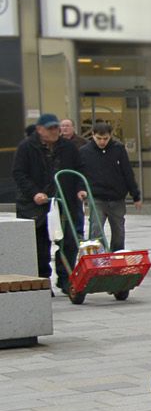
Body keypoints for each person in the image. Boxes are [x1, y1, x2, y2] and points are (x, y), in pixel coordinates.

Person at [12, 114, 78, 291]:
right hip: (36, 205)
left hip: (63, 201)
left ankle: (66, 280)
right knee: (41, 246)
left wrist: (80, 189)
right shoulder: (26, 147)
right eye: (50, 128)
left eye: (56, 127)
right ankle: (43, 281)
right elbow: (19, 173)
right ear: (39, 129)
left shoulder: (68, 147)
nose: (55, 131)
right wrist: (34, 193)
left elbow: (78, 169)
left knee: (69, 243)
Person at [74, 122, 143, 251]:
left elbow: (127, 172)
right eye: (99, 138)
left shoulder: (118, 149)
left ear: (110, 136)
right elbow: (80, 173)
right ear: (93, 135)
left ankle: (117, 255)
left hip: (116, 197)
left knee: (118, 232)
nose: (102, 142)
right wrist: (81, 189)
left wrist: (135, 195)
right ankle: (100, 257)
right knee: (96, 230)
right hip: (97, 197)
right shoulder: (85, 151)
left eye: (105, 138)